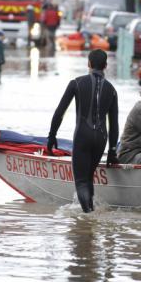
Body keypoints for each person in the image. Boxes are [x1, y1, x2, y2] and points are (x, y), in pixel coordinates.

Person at [47, 49, 119, 213]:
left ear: (88, 64)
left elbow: (60, 112)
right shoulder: (112, 90)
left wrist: (52, 137)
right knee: (88, 178)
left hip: (82, 135)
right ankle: (90, 217)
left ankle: (89, 218)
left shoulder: (77, 83)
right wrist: (113, 150)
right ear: (106, 66)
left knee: (81, 181)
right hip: (101, 138)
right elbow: (113, 123)